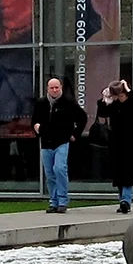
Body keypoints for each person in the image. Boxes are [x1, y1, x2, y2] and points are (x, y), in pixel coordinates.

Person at [33, 76, 86, 213]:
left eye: (57, 87)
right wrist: (37, 129)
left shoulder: (68, 103)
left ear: (61, 87)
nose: (55, 90)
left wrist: (75, 134)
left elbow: (82, 118)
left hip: (62, 142)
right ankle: (53, 201)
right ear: (47, 89)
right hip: (46, 143)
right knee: (49, 173)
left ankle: (63, 200)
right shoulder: (41, 103)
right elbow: (34, 120)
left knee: (60, 169)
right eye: (52, 88)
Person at [96, 79, 133, 214]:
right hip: (116, 142)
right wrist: (104, 99)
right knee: (118, 172)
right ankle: (122, 200)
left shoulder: (132, 104)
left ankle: (126, 200)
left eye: (122, 95)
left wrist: (129, 90)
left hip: (130, 142)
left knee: (128, 172)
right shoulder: (114, 105)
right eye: (118, 95)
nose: (120, 97)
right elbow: (102, 113)